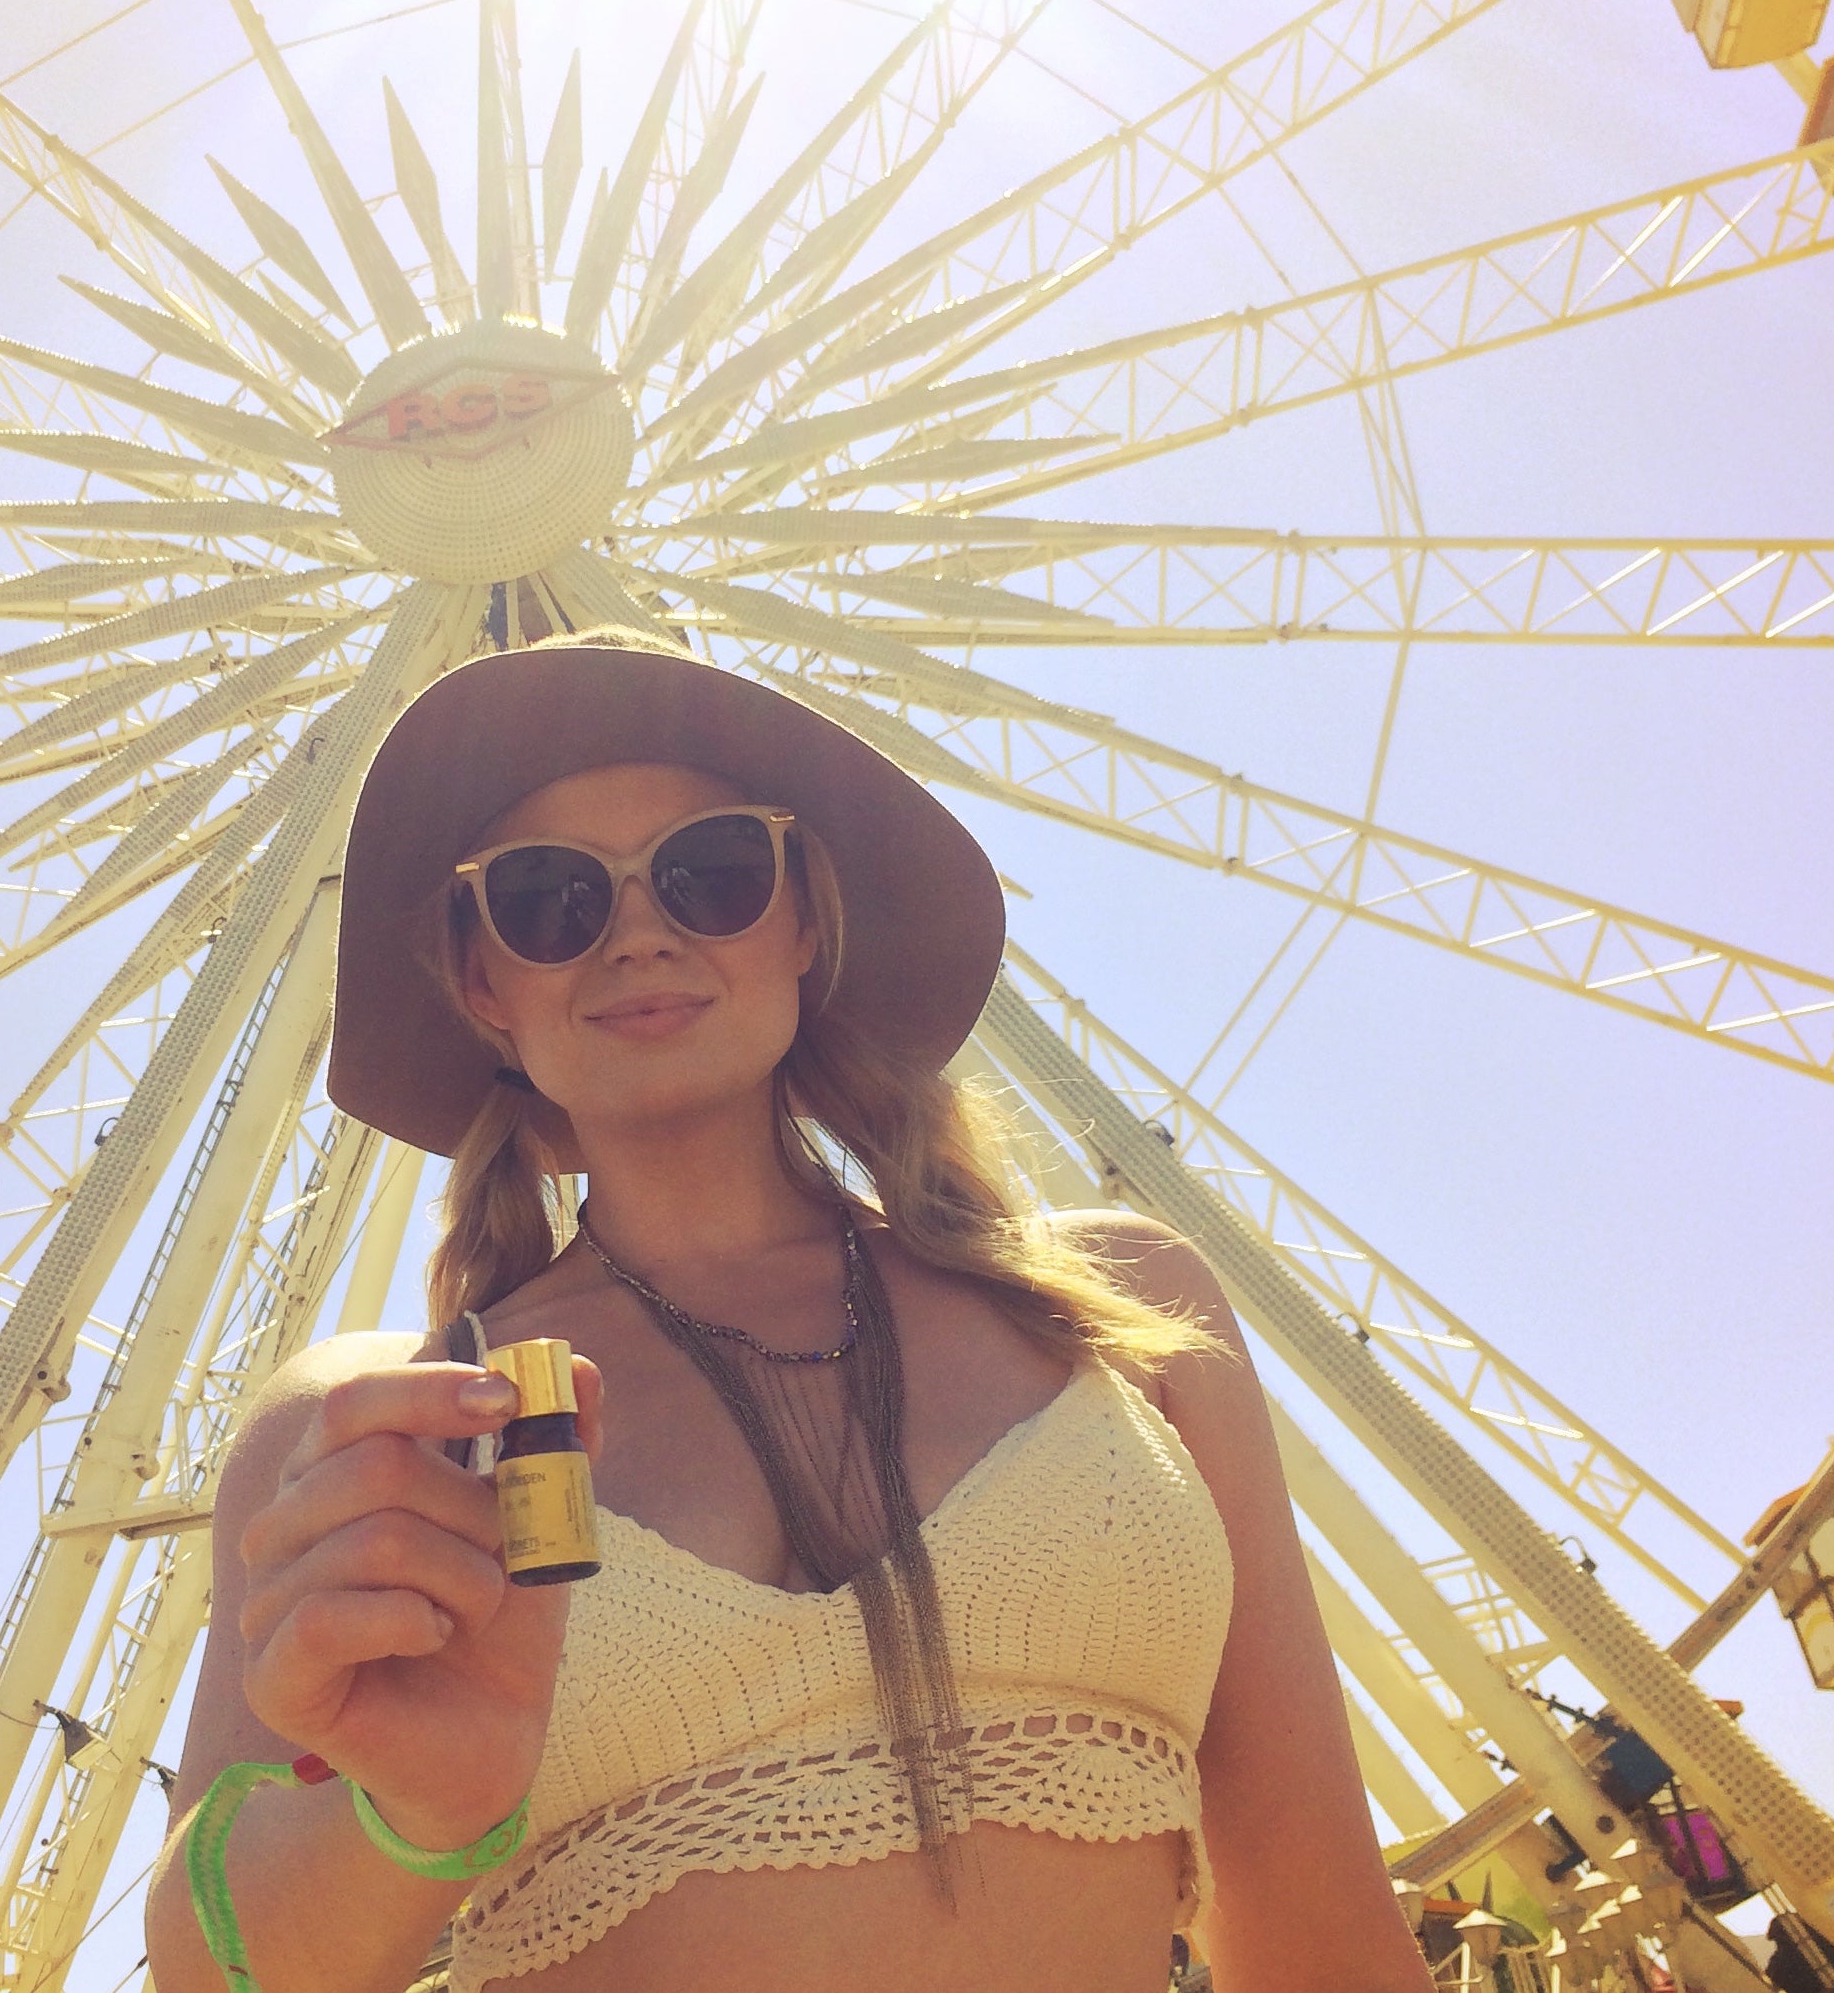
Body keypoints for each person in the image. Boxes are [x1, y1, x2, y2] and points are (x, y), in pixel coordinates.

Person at [146, 629, 1431, 1993]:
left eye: (712, 872)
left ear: (805, 920)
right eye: (546, 899)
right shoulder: (399, 1426)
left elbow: (1321, 1928)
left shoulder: (1120, 1311)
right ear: (481, 984)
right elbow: (213, 1978)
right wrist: (414, 1817)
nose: (639, 933)